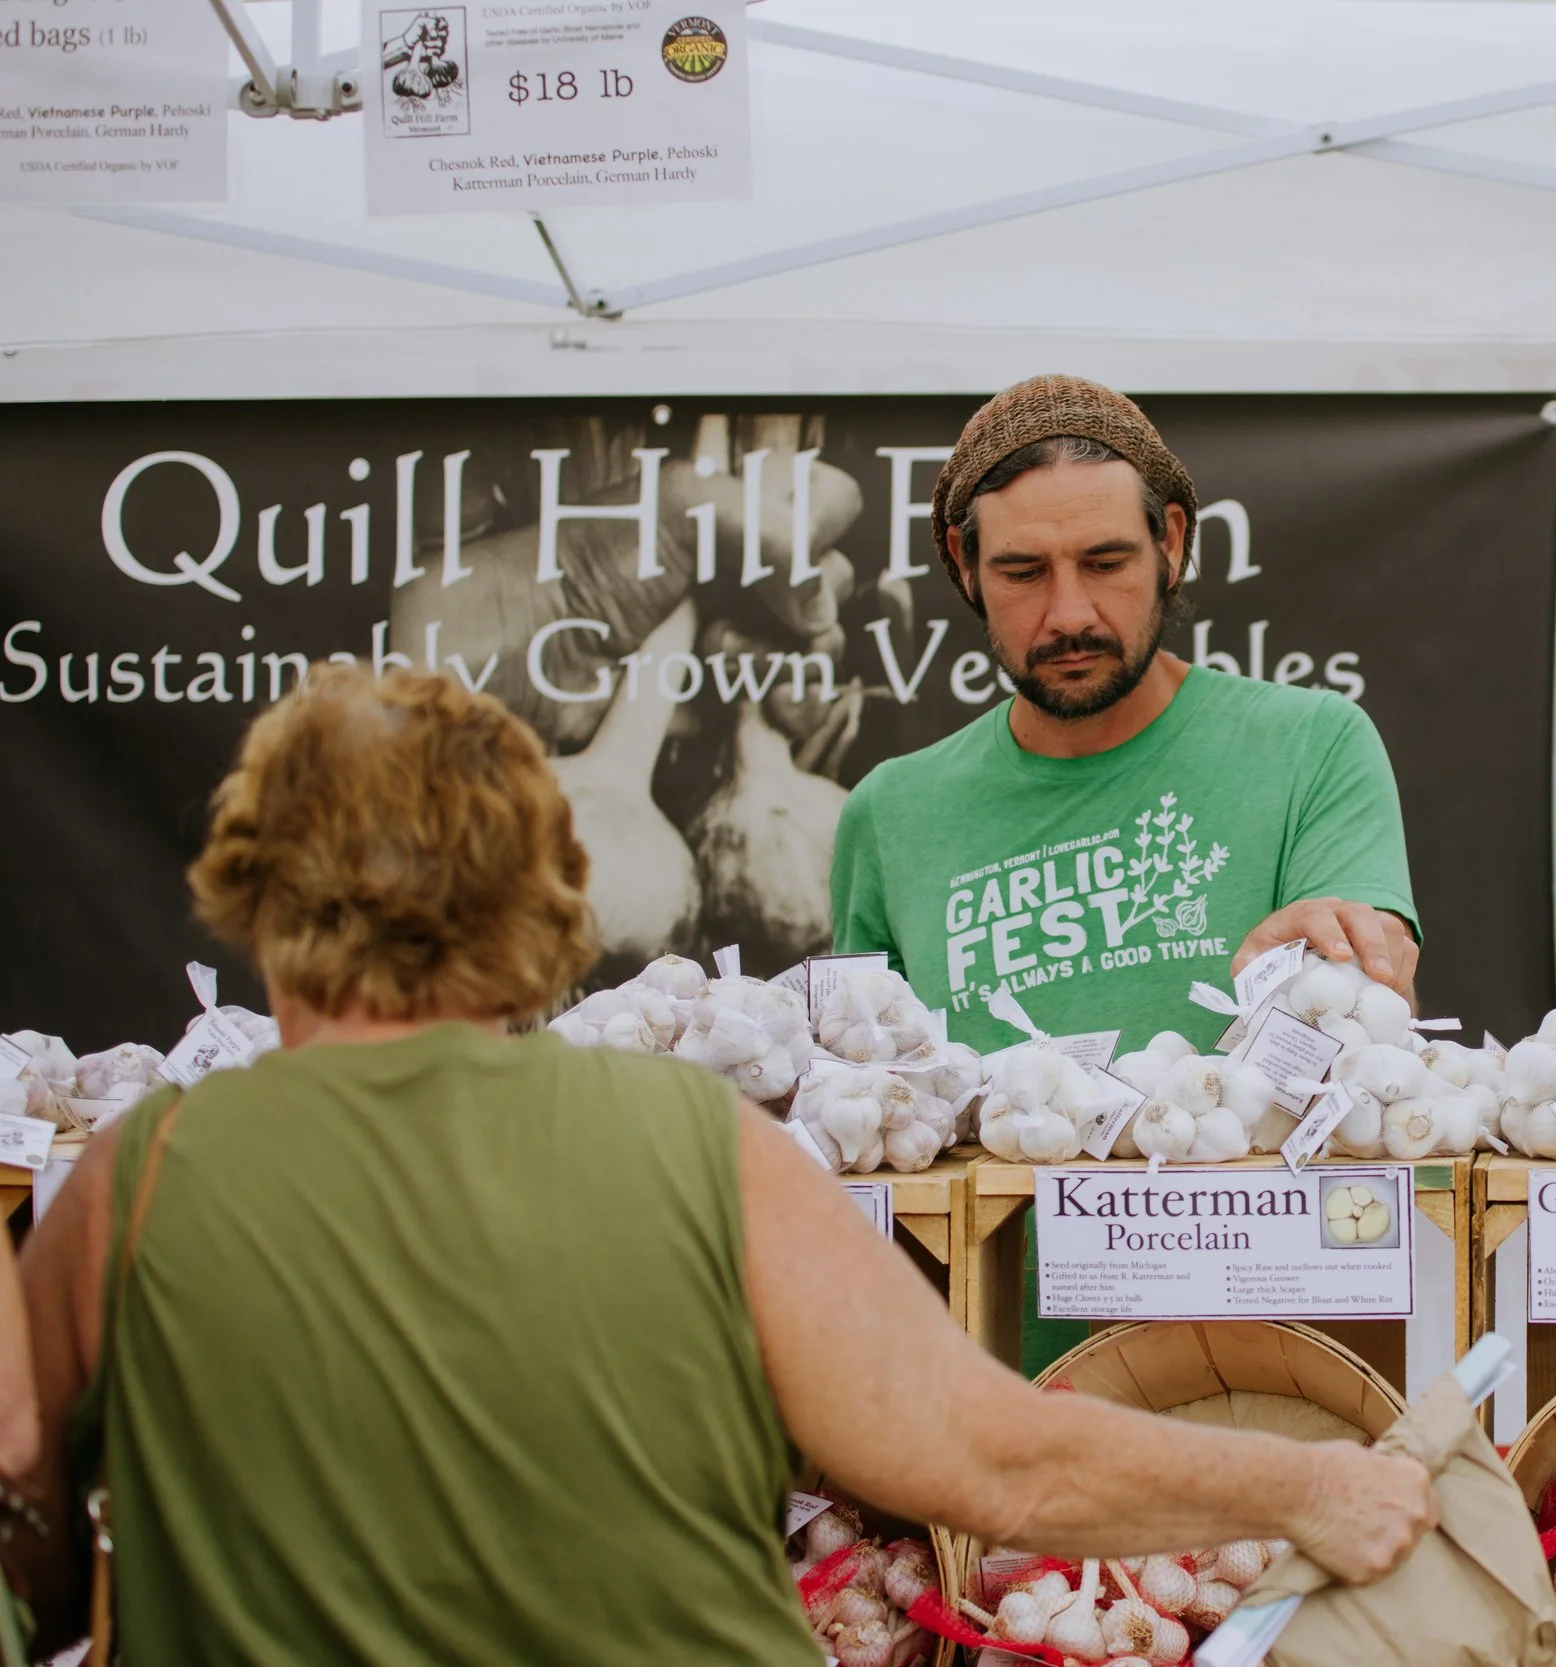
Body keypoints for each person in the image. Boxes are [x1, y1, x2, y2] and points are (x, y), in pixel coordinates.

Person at [8, 668, 1434, 1663]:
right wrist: (1313, 1488)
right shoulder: (702, 1148)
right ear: (544, 890)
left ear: (254, 888)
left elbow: (30, 1512)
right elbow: (988, 1458)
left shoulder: (139, 1178)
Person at [828, 376, 1419, 1054]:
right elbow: (867, 1093)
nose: (1070, 614)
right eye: (1023, 572)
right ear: (966, 566)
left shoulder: (1312, 745)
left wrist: (1358, 972)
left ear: (1169, 542)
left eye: (1105, 562)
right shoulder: (886, 814)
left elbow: (1368, 1048)